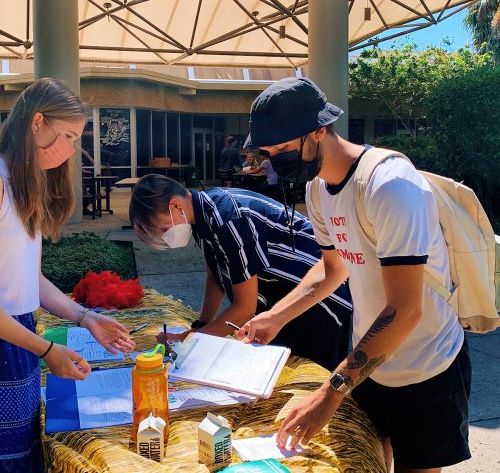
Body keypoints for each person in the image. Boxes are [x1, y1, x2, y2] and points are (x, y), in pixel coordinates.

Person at [237, 77, 471, 472]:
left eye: (282, 147)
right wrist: (275, 317)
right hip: (371, 364)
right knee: (370, 461)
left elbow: (406, 309)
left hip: (426, 365)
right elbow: (332, 270)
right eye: (267, 150)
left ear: (319, 129)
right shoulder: (317, 190)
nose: (274, 158)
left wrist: (331, 392)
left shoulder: (389, 185)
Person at [0, 78, 135, 471]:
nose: (73, 148)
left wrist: (87, 317)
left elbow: (29, 278)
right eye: (69, 136)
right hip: (12, 342)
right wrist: (46, 350)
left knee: (22, 454)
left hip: (18, 337)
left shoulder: (21, 185)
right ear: (37, 123)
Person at [128, 175, 352, 371]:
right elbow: (216, 277)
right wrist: (200, 326)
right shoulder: (202, 216)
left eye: (165, 229)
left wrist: (189, 340)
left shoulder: (227, 218)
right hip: (286, 299)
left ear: (176, 206)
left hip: (318, 302)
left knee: (312, 378)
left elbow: (244, 308)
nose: (167, 236)